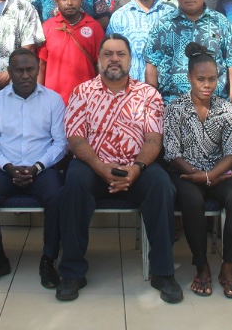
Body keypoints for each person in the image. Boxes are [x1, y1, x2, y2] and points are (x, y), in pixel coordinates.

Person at [56, 35, 182, 304]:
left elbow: (153, 139)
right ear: (98, 59)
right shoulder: (82, 92)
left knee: (162, 185)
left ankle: (163, 272)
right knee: (73, 183)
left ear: (130, 59)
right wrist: (101, 168)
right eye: (108, 54)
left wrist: (136, 169)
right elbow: (76, 139)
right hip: (94, 167)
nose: (114, 59)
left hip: (137, 168)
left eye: (121, 54)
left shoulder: (148, 94)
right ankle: (72, 272)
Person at [163, 42, 232, 298]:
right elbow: (171, 151)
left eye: (212, 79)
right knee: (191, 200)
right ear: (189, 78)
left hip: (219, 174)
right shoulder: (176, 108)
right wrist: (195, 174)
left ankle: (228, 266)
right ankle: (201, 266)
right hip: (185, 175)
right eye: (201, 79)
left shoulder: (225, 108)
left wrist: (210, 176)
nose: (207, 85)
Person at [0, 49, 67, 288]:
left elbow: (60, 142)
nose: (25, 75)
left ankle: (49, 259)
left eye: (30, 70)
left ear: (38, 69)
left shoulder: (53, 100)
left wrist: (38, 166)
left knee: (58, 196)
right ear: (10, 72)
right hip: (4, 168)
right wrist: (7, 167)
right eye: (19, 70)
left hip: (42, 168)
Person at [144, 0, 232, 103]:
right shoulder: (164, 24)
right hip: (172, 106)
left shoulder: (220, 22)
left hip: (215, 106)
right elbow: (152, 63)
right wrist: (154, 104)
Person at [38, 0, 105, 104]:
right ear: (56, 1)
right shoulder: (47, 27)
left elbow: (100, 66)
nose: (69, 2)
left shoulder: (94, 27)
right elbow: (41, 66)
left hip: (87, 100)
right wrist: (38, 98)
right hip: (53, 101)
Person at [106, 0, 171, 81]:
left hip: (165, 91)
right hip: (129, 91)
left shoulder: (170, 14)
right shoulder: (119, 17)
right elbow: (109, 55)